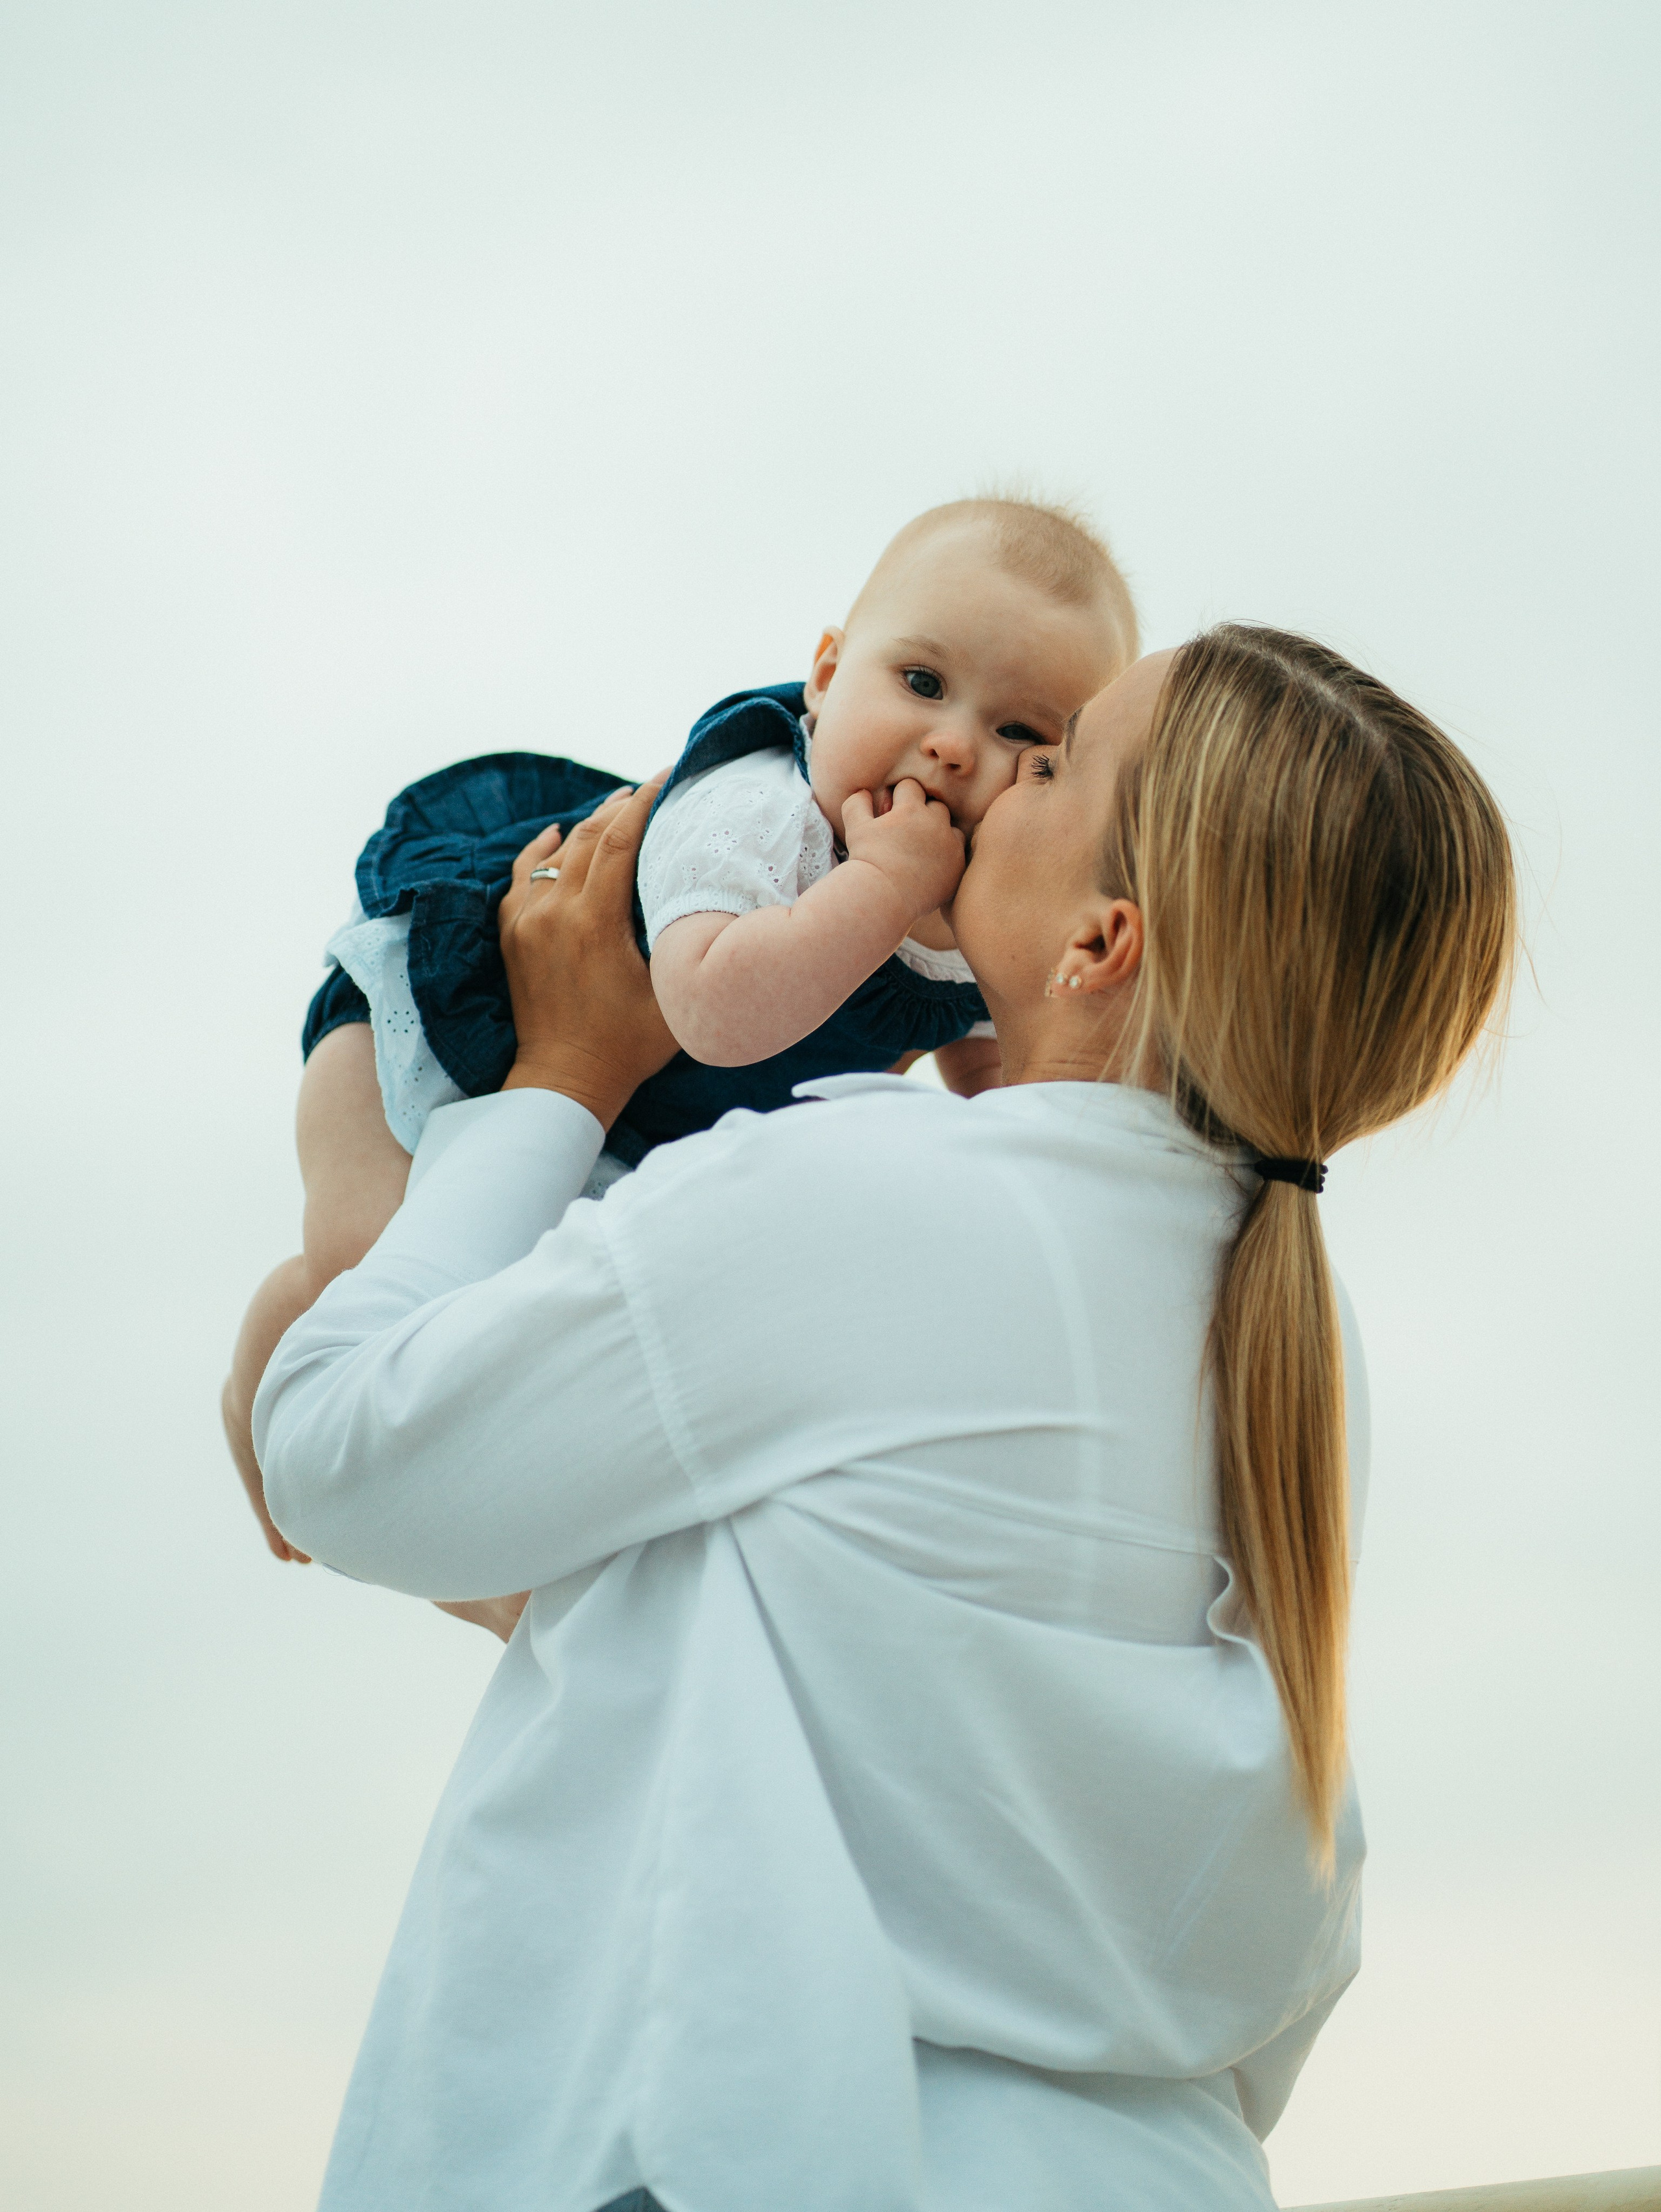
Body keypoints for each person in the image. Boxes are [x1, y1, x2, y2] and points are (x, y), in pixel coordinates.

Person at [255, 625, 1516, 2211]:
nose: (989, 771)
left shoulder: (864, 1199)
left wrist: (562, 1075)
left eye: (1053, 761)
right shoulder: (1300, 1345)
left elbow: (338, 1451)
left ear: (1101, 941)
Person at [223, 496, 1137, 1559]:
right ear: (828, 674)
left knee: (502, 1362)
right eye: (923, 683)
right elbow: (708, 1010)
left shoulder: (979, 892)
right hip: (442, 1020)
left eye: (1021, 734)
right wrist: (881, 890)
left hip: (614, 1130)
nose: (951, 746)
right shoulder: (760, 813)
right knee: (374, 1270)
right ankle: (275, 1353)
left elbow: (995, 1060)